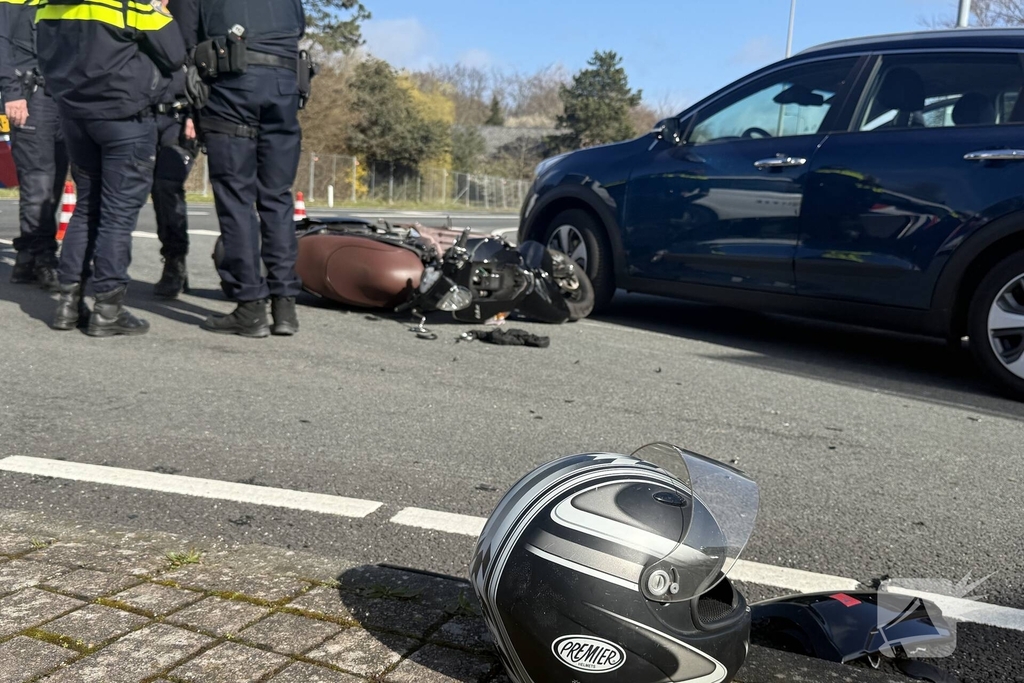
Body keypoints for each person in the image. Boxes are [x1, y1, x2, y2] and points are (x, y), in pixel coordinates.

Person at [35, 0, 186, 336]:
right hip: (124, 117)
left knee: (86, 208)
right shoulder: (129, 4)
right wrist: (160, 12)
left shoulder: (49, 5)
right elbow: (175, 53)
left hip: (75, 116)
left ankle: (68, 305)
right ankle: (107, 308)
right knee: (117, 215)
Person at [186, 0, 305, 337]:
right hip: (284, 85)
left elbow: (183, 36)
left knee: (237, 200)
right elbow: (298, 28)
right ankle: (285, 306)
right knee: (277, 198)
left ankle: (251, 305)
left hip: (232, 87)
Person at [0, 0, 69, 291]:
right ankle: (43, 258)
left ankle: (27, 256)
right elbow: (1, 43)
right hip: (31, 95)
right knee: (38, 181)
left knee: (53, 182)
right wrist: (11, 92)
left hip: (66, 95)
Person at [152, 0, 198, 299]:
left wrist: (196, 112)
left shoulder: (191, 10)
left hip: (180, 116)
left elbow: (201, 59)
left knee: (166, 186)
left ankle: (175, 261)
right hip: (140, 113)